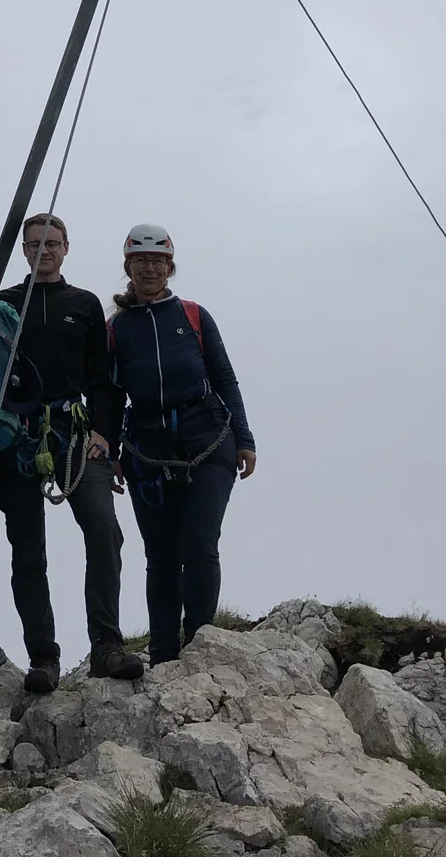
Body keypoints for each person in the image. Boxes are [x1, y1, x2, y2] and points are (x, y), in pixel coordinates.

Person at [0, 213, 143, 692]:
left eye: (52, 243)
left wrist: (105, 435)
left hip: (74, 432)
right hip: (17, 435)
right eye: (35, 244)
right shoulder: (2, 304)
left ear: (66, 248)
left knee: (104, 531)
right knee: (26, 547)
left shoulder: (84, 304)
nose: (44, 251)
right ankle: (43, 656)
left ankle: (106, 646)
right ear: (24, 250)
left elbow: (103, 378)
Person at [108, 223, 256, 665]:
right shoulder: (116, 329)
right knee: (160, 556)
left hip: (208, 439)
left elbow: (224, 377)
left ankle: (200, 645)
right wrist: (113, 450)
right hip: (146, 448)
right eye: (140, 261)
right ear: (128, 268)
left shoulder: (193, 316)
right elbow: (110, 394)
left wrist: (244, 438)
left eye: (157, 261)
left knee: (200, 545)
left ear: (169, 267)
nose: (149, 268)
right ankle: (163, 654)